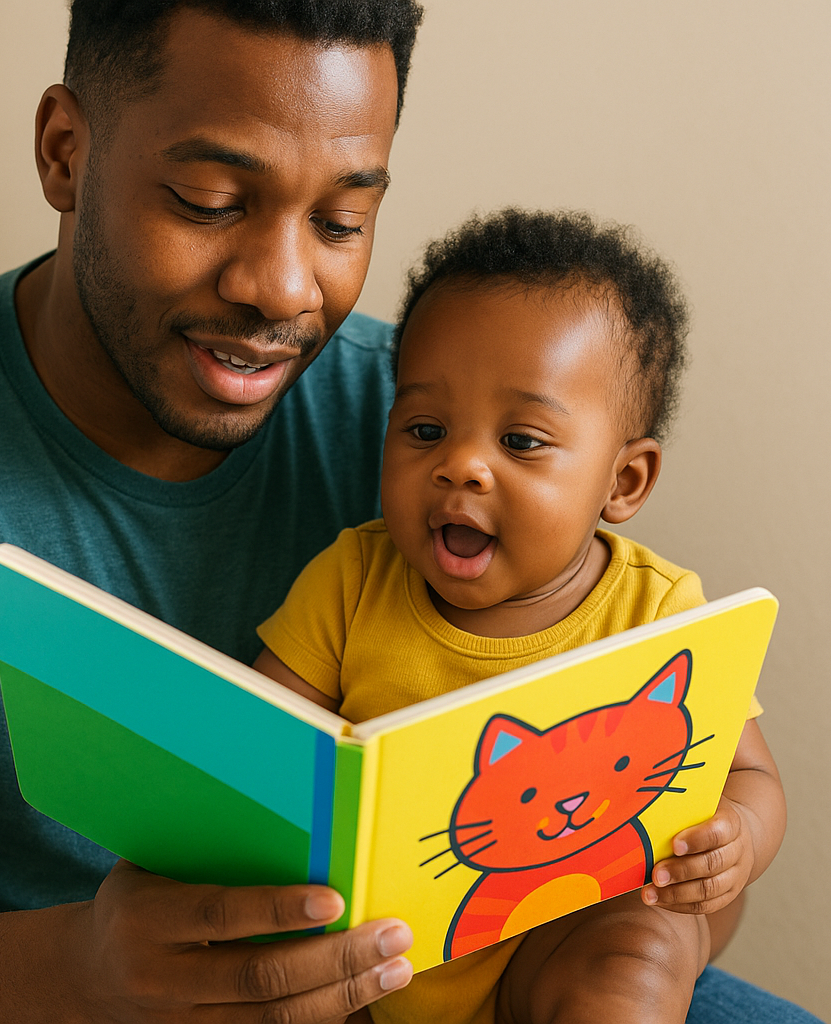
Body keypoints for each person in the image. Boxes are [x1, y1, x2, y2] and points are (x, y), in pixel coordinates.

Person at [0, 2, 817, 1022]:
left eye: (341, 221)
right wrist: (84, 966)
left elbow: (672, 811)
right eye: (207, 200)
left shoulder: (436, 416)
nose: (283, 289)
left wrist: (655, 928)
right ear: (65, 152)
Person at [253, 209, 789, 1024]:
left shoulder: (660, 612)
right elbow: (263, 747)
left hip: (570, 939)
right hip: (386, 959)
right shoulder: (352, 583)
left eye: (524, 440)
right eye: (425, 430)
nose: (460, 465)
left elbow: (751, 777)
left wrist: (738, 839)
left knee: (640, 947)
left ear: (625, 483)